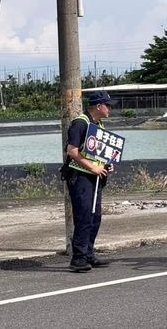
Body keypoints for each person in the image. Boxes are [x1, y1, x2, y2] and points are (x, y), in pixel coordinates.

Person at [62, 91, 118, 272]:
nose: (110, 108)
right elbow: (72, 151)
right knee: (84, 216)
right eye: (108, 105)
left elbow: (99, 152)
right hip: (80, 177)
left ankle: (88, 253)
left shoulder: (99, 124)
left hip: (96, 177)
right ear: (98, 106)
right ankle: (78, 258)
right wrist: (92, 167)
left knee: (95, 217)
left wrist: (107, 165)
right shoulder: (80, 123)